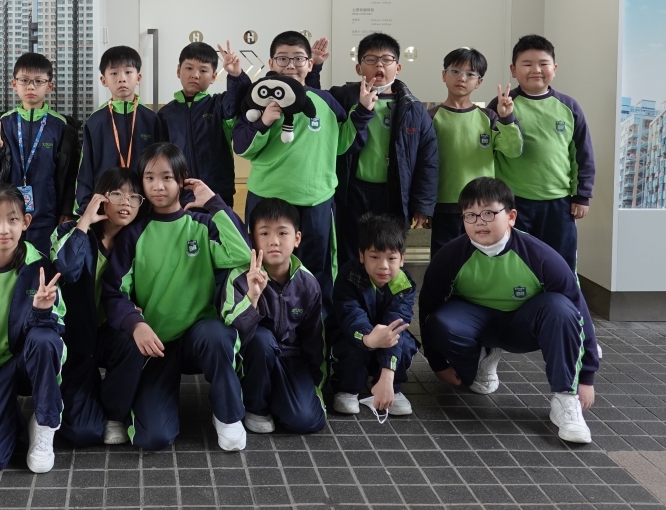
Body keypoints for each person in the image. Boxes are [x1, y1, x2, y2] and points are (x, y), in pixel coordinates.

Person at [419, 176, 598, 444]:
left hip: (522, 327)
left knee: (561, 308)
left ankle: (565, 401)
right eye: (470, 215)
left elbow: (579, 312)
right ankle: (480, 362)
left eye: (489, 213)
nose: (479, 222)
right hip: (476, 325)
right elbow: (427, 310)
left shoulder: (541, 256)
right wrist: (438, 364)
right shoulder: (450, 256)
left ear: (511, 216)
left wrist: (586, 378)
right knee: (441, 322)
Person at [101, 143, 253, 453]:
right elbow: (114, 292)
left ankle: (227, 416)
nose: (158, 186)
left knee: (216, 336)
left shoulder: (201, 223)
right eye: (150, 178)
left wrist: (214, 203)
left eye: (167, 177)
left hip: (199, 337)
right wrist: (136, 324)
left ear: (182, 180)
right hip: (157, 344)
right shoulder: (134, 234)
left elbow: (242, 254)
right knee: (153, 437)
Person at [233, 31, 375, 308]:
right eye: (283, 58)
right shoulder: (258, 98)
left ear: (310, 64)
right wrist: (263, 122)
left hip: (316, 200)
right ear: (271, 63)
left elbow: (341, 145)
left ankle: (316, 328)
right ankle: (264, 324)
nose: (291, 65)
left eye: (298, 58)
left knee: (316, 271)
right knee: (264, 267)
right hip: (268, 199)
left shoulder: (325, 101)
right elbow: (241, 147)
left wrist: (363, 112)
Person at [0, 184, 66, 474]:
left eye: (13, 219)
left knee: (44, 339)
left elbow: (59, 329)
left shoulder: (40, 267)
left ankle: (44, 424)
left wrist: (41, 311)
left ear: (26, 222)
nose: (4, 229)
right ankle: (13, 419)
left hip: (23, 364)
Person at [309, 32, 438, 266]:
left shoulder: (413, 109)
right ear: (359, 68)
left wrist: (423, 205)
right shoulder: (343, 97)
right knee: (350, 251)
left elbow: (427, 159)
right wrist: (315, 67)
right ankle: (350, 290)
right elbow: (311, 100)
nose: (379, 65)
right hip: (351, 191)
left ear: (398, 67)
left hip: (394, 193)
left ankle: (386, 290)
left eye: (386, 59)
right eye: (370, 59)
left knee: (387, 253)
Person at [50, 167, 144, 446]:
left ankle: (115, 414)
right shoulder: (69, 231)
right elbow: (67, 269)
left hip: (108, 332)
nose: (126, 202)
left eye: (134, 197)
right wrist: (84, 224)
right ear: (100, 197)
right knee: (83, 432)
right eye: (117, 194)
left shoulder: (137, 240)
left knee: (133, 340)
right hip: (74, 340)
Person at [220, 197, 325, 435]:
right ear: (252, 239)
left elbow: (313, 337)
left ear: (297, 238)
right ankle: (255, 407)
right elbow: (232, 331)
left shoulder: (308, 283)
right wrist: (252, 296)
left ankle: (280, 400)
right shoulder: (240, 276)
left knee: (306, 422)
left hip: (291, 358)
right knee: (262, 339)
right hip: (252, 358)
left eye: (283, 233)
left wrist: (313, 380)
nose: (274, 241)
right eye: (265, 233)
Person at [489, 35, 594, 270]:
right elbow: (494, 151)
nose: (536, 70)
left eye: (543, 64)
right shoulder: (500, 104)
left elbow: (582, 154)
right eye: (527, 64)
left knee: (560, 263)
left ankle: (562, 296)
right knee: (515, 262)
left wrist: (582, 195)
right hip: (513, 200)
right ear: (513, 70)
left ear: (554, 68)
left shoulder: (569, 106)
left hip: (559, 202)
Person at [0, 53, 81, 256]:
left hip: (47, 211)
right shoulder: (3, 122)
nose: (31, 87)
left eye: (38, 81)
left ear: (49, 86)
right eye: (24, 80)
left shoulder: (61, 126)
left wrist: (67, 209)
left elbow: (71, 173)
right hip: (7, 212)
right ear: (14, 84)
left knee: (42, 261)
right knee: (10, 260)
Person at [429, 47, 522, 256]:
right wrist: (424, 205)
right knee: (444, 257)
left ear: (479, 82)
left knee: (482, 255)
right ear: (444, 75)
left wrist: (507, 118)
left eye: (470, 74)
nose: (462, 78)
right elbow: (423, 163)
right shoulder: (432, 117)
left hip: (483, 203)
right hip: (444, 203)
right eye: (455, 71)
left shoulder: (488, 117)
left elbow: (512, 150)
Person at [329, 214, 417, 418]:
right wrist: (368, 339)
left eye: (391, 258)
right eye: (375, 257)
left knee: (404, 340)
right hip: (359, 335)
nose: (383, 265)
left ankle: (392, 388)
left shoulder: (405, 284)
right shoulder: (349, 276)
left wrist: (387, 376)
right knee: (348, 343)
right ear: (362, 256)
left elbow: (396, 324)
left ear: (402, 259)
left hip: (387, 342)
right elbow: (351, 316)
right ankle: (348, 388)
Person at [76, 45, 167, 213]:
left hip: (143, 205)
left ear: (138, 77)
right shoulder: (96, 121)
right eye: (114, 73)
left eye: (128, 72)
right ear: (104, 80)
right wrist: (85, 208)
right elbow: (86, 168)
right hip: (106, 205)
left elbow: (162, 164)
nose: (122, 79)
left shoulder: (151, 119)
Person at [158, 41, 250, 206]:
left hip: (217, 192)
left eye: (203, 70)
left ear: (213, 77)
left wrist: (236, 76)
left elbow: (238, 100)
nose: (195, 75)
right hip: (179, 195)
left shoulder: (220, 105)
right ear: (178, 71)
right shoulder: (166, 114)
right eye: (189, 68)